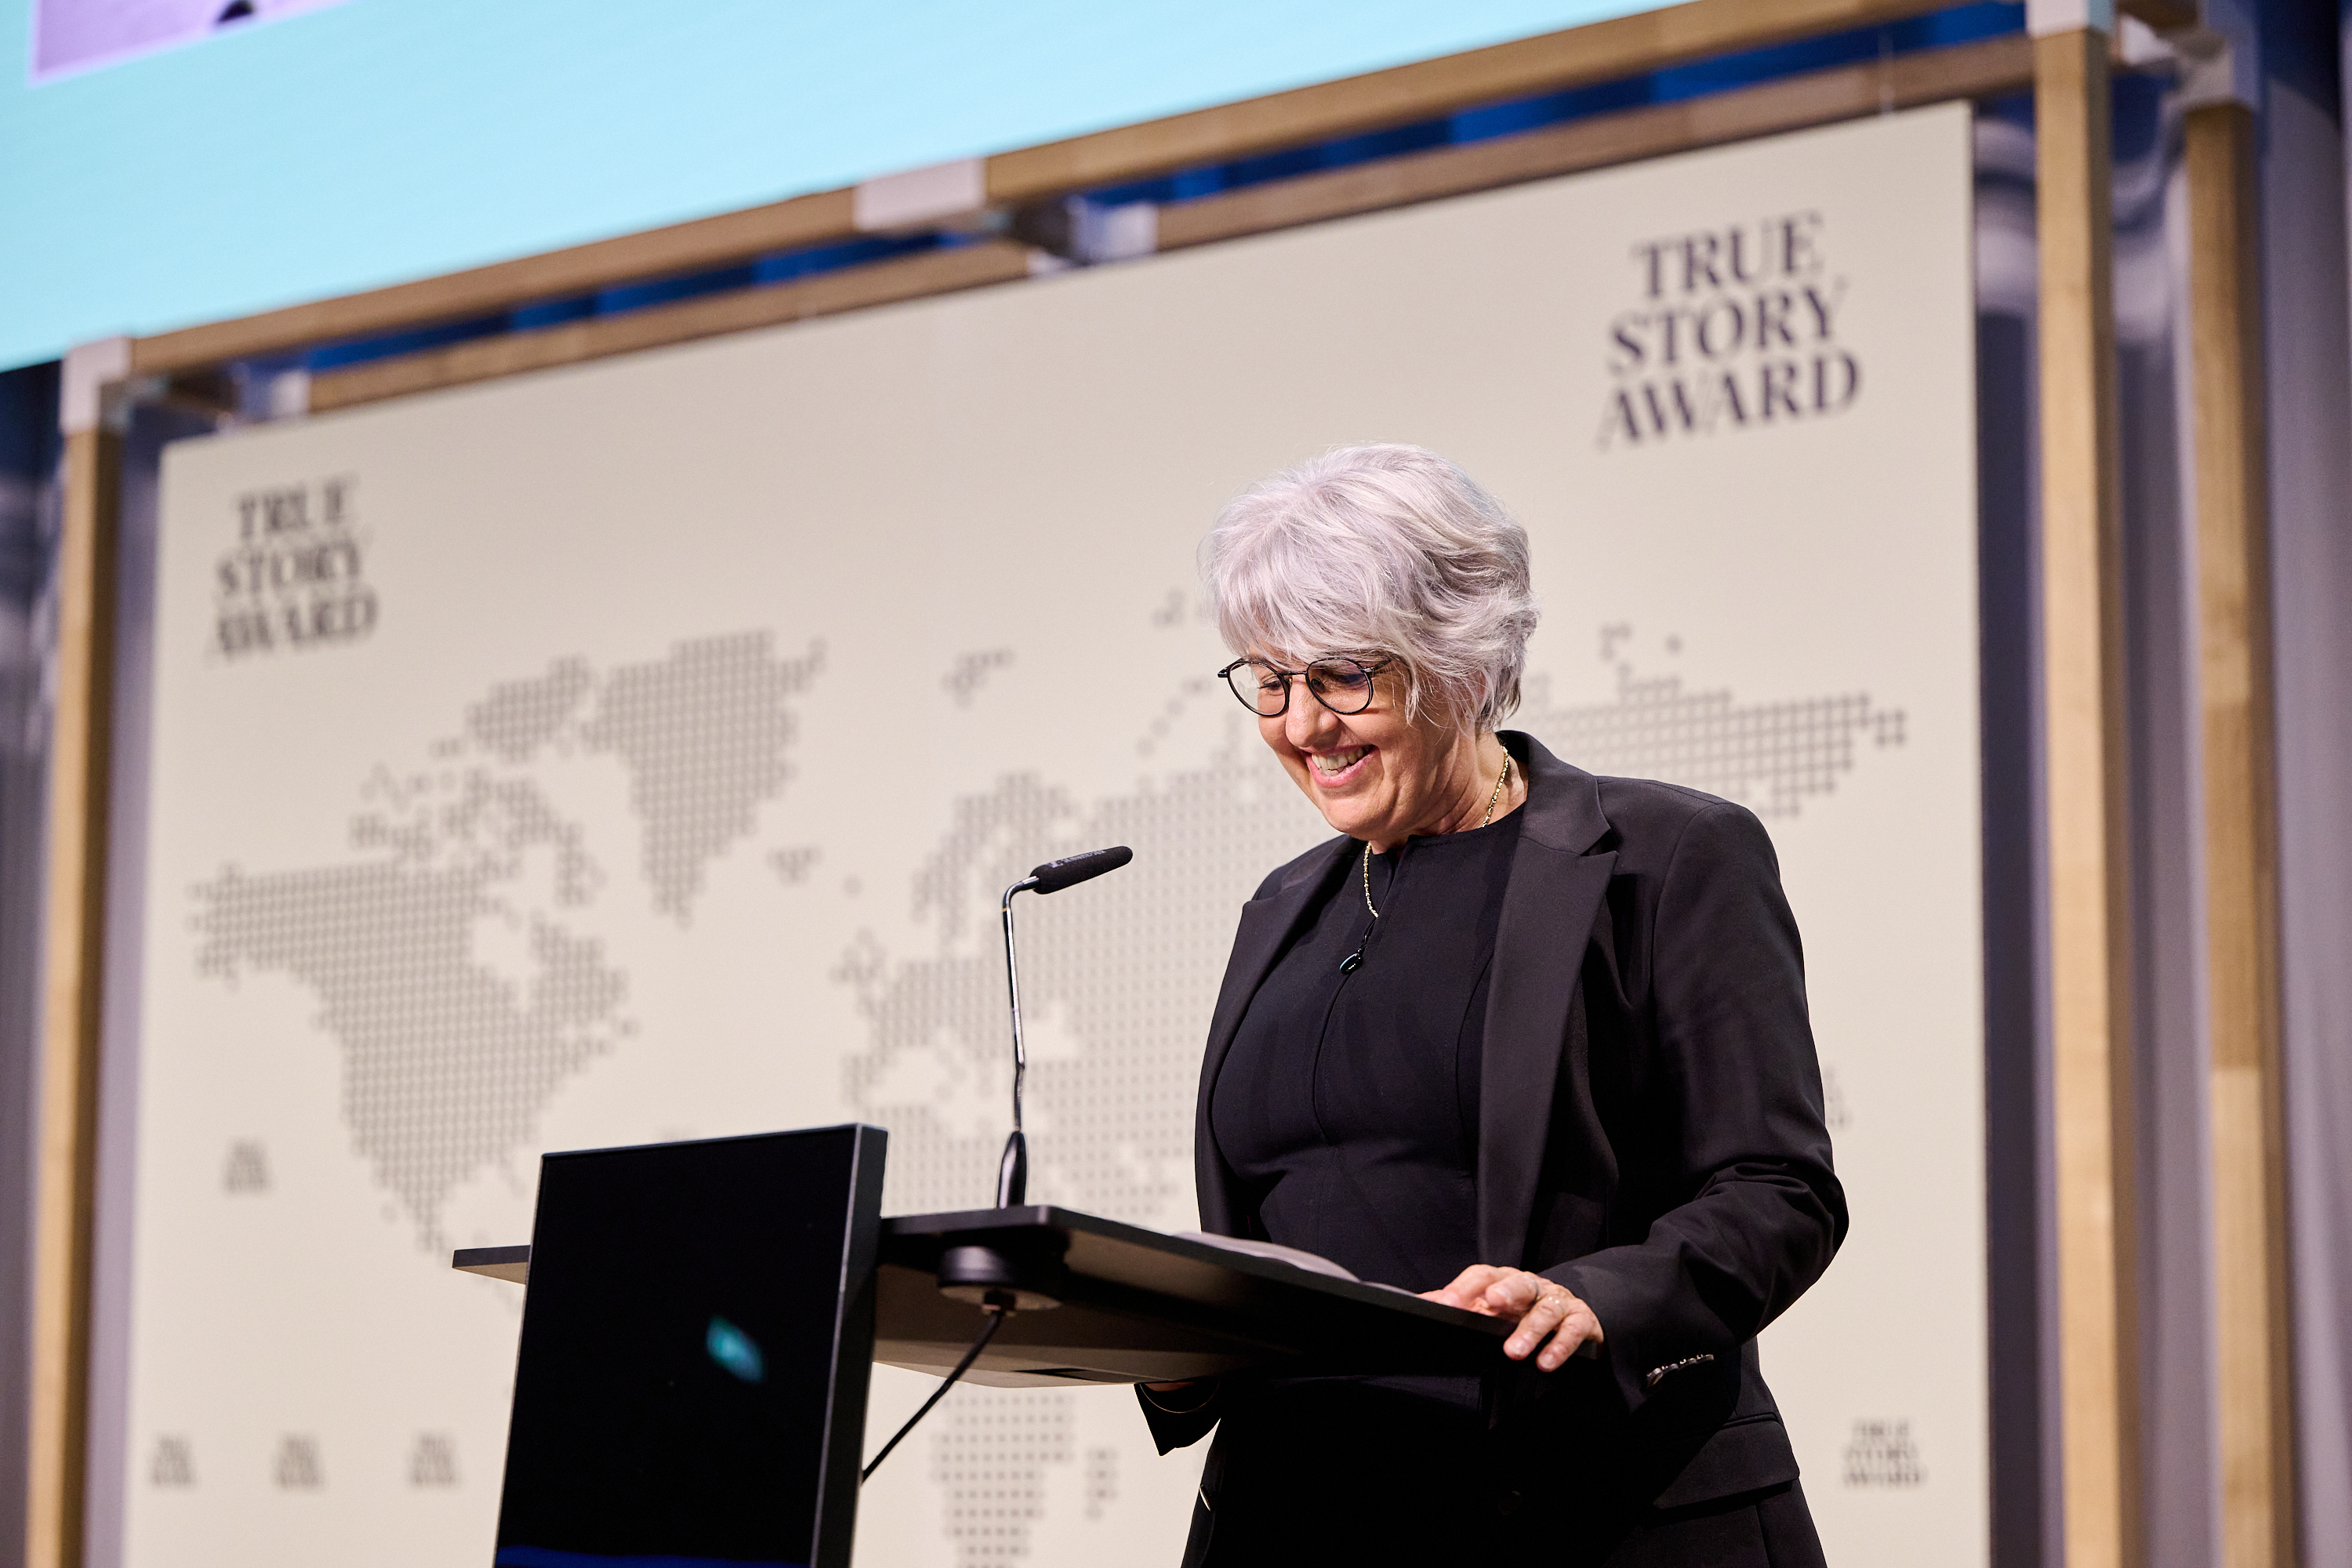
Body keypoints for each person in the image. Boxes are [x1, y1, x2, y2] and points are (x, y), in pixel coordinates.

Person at [1138, 444, 1847, 1566]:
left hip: (1587, 1506)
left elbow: (1779, 1189)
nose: (1302, 725)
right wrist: (1178, 1352)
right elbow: (1270, 1236)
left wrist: (1600, 1298)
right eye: (1270, 681)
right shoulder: (1280, 908)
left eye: (1343, 677)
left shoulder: (1667, 859)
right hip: (1290, 1515)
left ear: (1457, 661)